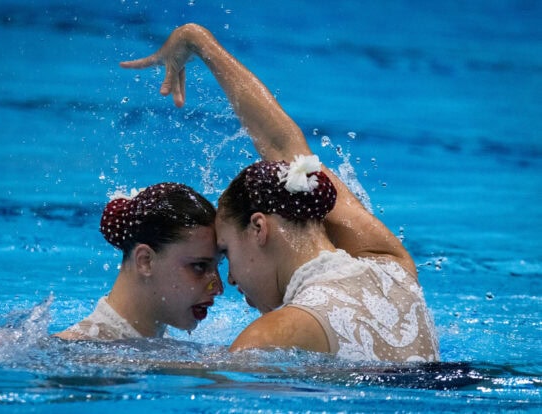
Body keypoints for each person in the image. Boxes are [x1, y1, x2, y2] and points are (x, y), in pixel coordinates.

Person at [119, 24, 439, 362]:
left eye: (227, 253)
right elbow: (284, 146)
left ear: (259, 228)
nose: (227, 279)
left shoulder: (272, 337)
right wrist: (198, 42)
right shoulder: (392, 266)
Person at [53, 182, 224, 340]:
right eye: (199, 266)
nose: (218, 288)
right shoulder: (74, 353)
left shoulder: (155, 342)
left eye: (218, 266)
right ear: (145, 261)